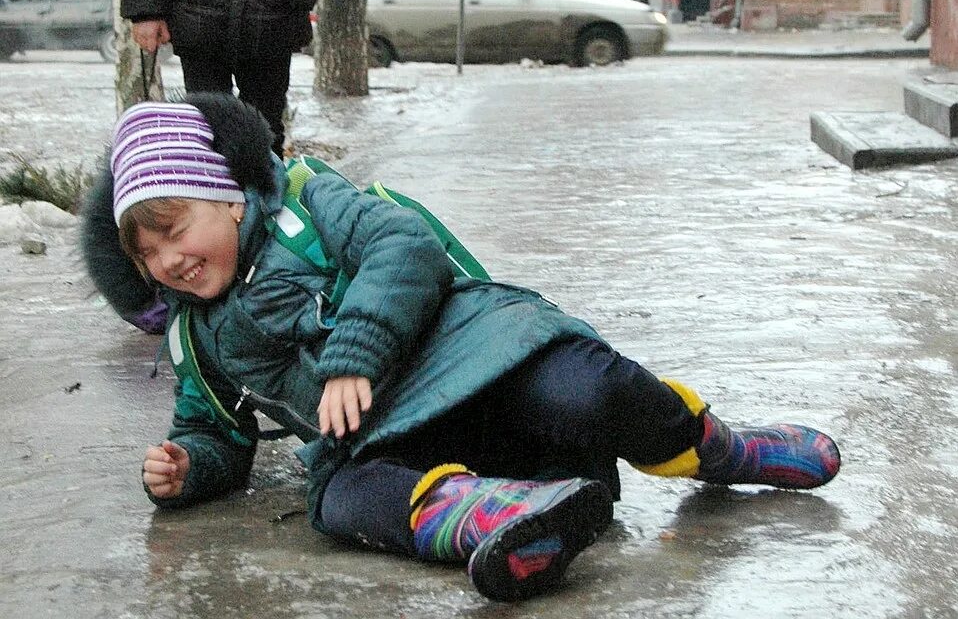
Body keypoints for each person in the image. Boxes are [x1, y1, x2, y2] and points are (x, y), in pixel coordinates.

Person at [81, 93, 841, 603]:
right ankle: (499, 518)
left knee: (590, 392)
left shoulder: (310, 200)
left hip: (479, 362)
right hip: (403, 442)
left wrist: (356, 352)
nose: (168, 261)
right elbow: (214, 428)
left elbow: (403, 248)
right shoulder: (195, 334)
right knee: (338, 500)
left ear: (229, 192)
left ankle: (720, 450)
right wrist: (188, 468)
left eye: (175, 230)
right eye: (147, 254)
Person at [119, 0, 325, 157]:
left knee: (265, 133)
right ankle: (212, 199)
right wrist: (146, 11)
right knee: (206, 129)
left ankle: (263, 201)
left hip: (271, 17)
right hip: (198, 16)